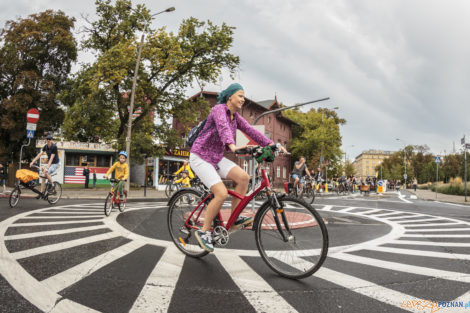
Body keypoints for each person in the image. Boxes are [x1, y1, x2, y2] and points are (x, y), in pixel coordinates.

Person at [189, 83, 287, 253]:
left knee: (244, 178)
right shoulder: (219, 110)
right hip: (200, 156)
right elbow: (223, 128)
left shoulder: (236, 117)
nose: (243, 99)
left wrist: (272, 144)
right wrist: (232, 146)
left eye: (243, 96)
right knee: (221, 193)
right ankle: (204, 232)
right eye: (240, 95)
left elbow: (251, 131)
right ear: (230, 97)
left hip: (216, 158)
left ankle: (234, 218)